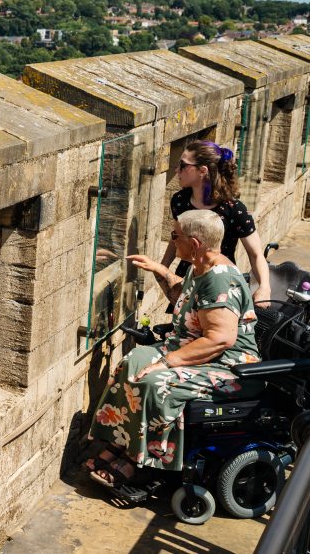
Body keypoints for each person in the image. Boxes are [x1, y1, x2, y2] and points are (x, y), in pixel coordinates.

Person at [85, 209, 262, 489]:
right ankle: (123, 441)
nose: (171, 240)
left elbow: (221, 339)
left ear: (194, 244)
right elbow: (184, 297)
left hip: (225, 365)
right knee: (132, 362)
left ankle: (139, 458)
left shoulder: (220, 279)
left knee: (156, 382)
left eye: (174, 236)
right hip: (194, 348)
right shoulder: (200, 265)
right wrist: (160, 270)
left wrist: (167, 362)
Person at [160, 140, 270, 305]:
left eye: (182, 165)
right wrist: (162, 269)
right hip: (186, 279)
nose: (177, 170)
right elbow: (177, 237)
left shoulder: (234, 209)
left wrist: (264, 287)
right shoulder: (179, 201)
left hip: (220, 283)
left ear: (202, 171)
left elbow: (255, 254)